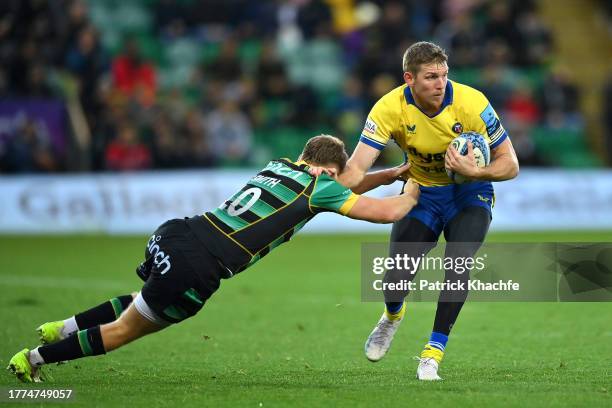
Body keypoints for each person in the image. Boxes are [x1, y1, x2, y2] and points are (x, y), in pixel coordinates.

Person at [7, 135, 420, 383]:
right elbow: (389, 213)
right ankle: (34, 359)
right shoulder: (321, 186)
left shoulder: (280, 166)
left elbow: (347, 183)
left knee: (144, 298)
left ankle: (59, 327)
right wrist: (418, 183)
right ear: (329, 171)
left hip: (176, 232)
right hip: (200, 264)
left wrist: (389, 174)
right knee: (125, 330)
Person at [338, 41, 519, 380]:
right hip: (420, 194)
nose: (440, 84)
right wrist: (387, 175)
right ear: (410, 78)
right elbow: (354, 173)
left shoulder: (472, 102)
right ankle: (392, 316)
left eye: (444, 75)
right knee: (395, 281)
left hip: (470, 194)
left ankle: (432, 353)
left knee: (458, 264)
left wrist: (477, 172)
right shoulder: (388, 109)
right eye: (431, 77)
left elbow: (511, 163)